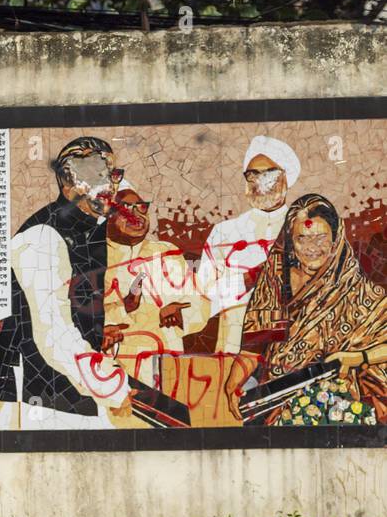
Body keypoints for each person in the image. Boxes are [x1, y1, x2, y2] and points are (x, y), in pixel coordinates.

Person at [0, 136, 133, 430]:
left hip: (71, 385)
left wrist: (96, 328)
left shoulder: (91, 230)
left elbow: (74, 305)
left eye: (112, 175)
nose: (109, 186)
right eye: (95, 175)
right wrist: (110, 388)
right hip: (36, 393)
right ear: (68, 181)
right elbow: (53, 332)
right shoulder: (42, 235)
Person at [242, 192, 387, 424]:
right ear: (291, 242)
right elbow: (253, 346)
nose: (312, 248)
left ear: (336, 238)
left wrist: (358, 357)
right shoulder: (276, 280)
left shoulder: (360, 293)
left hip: (340, 406)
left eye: (320, 238)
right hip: (274, 403)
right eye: (302, 238)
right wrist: (233, 379)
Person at [199, 135, 301, 353]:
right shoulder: (223, 232)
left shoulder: (304, 228)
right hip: (233, 347)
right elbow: (203, 296)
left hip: (292, 347)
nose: (260, 181)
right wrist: (246, 280)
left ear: (285, 177)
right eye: (253, 174)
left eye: (269, 173)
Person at [102, 185, 205, 377]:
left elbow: (201, 302)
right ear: (108, 216)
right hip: (114, 370)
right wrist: (124, 307)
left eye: (141, 207)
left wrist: (180, 312)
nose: (136, 216)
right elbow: (77, 318)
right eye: (126, 209)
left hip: (167, 366)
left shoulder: (167, 252)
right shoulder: (94, 257)